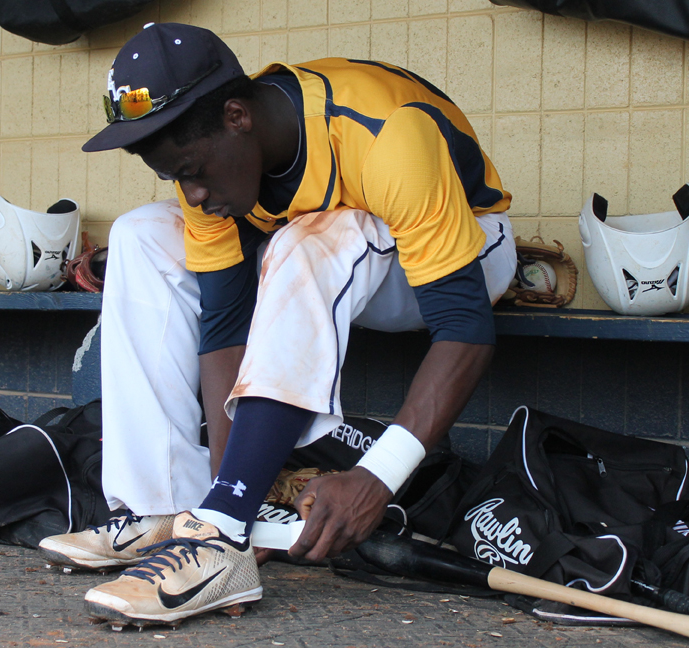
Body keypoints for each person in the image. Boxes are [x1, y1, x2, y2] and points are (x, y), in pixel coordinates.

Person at [39, 22, 516, 627]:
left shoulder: (387, 136)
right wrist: (230, 483)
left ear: (237, 115)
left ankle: (221, 531)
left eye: (191, 169)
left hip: (465, 250)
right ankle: (179, 511)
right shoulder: (214, 162)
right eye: (174, 177)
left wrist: (378, 475)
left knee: (315, 234)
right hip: (325, 247)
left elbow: (466, 328)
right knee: (141, 235)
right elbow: (224, 323)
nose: (191, 190)